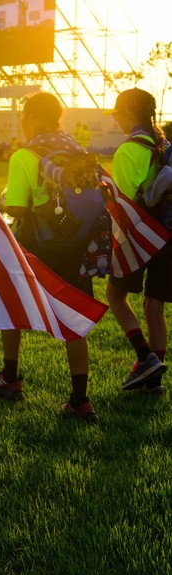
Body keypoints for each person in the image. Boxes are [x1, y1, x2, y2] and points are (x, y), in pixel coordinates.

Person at [0, 92, 99, 422]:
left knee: (12, 307)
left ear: (30, 118)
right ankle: (80, 400)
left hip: (36, 246)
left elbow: (17, 208)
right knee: (74, 321)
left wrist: (3, 200)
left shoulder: (26, 154)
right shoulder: (78, 151)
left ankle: (10, 377)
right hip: (77, 245)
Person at [104, 88, 169, 393]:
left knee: (115, 295)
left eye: (117, 114)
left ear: (128, 114)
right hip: (169, 236)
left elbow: (126, 204)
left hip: (142, 237)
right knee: (154, 305)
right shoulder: (165, 145)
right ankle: (154, 380)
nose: (116, 120)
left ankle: (145, 357)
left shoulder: (127, 150)